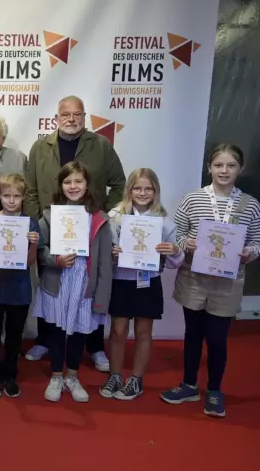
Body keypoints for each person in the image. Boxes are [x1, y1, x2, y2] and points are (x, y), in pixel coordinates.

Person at [24, 95, 125, 371]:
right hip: (51, 230)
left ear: (84, 117)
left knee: (87, 287)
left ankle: (94, 346)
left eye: (77, 115)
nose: (71, 119)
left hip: (88, 231)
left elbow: (119, 184)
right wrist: (39, 223)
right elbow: (30, 190)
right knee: (51, 284)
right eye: (65, 114)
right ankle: (45, 339)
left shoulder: (101, 145)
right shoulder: (39, 147)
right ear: (57, 117)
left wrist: (101, 215)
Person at [161, 143, 260, 417]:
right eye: (218, 165)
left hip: (228, 282)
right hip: (194, 277)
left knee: (217, 338)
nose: (224, 171)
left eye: (230, 165)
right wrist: (187, 242)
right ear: (209, 168)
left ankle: (214, 389)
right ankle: (189, 384)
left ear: (241, 169)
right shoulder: (193, 199)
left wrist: (248, 253)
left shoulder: (250, 204)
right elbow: (177, 233)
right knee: (192, 334)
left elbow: (257, 241)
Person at [101, 169, 183, 400]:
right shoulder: (115, 216)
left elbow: (177, 260)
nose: (143, 193)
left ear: (155, 191)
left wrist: (174, 251)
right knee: (117, 331)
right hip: (122, 280)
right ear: (129, 190)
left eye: (148, 189)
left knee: (143, 331)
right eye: (137, 188)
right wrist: (112, 252)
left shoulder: (164, 221)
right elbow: (104, 253)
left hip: (148, 282)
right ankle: (115, 375)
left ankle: (136, 379)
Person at [35, 161, 113, 403]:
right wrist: (54, 259)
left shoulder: (99, 219)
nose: (73, 186)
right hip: (58, 281)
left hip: (84, 285)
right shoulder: (50, 215)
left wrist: (101, 295)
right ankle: (56, 375)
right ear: (61, 185)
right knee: (57, 331)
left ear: (87, 184)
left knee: (79, 332)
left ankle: (72, 376)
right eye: (67, 181)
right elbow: (38, 247)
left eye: (78, 181)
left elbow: (104, 262)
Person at [0, 173, 41, 399]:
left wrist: (33, 244)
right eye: (6, 195)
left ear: (23, 197)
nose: (11, 200)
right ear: (0, 196)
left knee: (14, 337)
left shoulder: (31, 224)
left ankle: (11, 376)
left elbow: (31, 261)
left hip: (19, 291)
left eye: (16, 196)